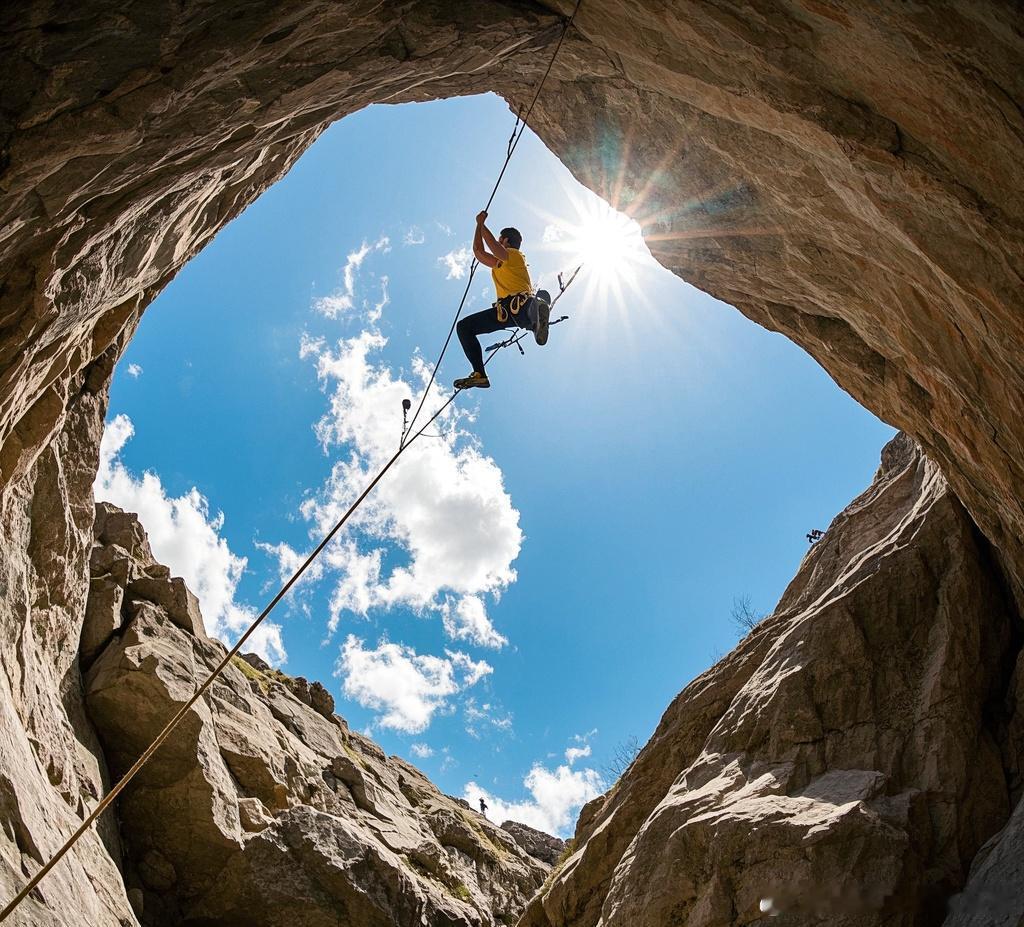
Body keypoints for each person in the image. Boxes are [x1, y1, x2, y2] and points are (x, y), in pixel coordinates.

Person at [453, 211, 551, 390]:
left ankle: (536, 315)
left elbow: (491, 247)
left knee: (528, 307)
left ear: (506, 241)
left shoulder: (514, 255)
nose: (498, 243)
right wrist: (478, 226)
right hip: (504, 314)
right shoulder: (499, 263)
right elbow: (479, 251)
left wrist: (482, 224)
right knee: (464, 327)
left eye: (500, 240)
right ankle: (479, 375)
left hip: (519, 305)